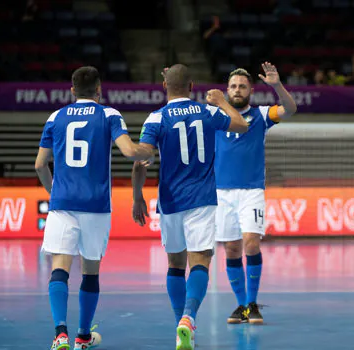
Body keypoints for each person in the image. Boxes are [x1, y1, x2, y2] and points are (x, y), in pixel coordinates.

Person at [35, 66, 153, 350]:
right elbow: (129, 151)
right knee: (90, 272)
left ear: (72, 90)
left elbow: (40, 165)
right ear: (99, 90)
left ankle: (60, 334)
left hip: (63, 204)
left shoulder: (56, 117)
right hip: (96, 206)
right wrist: (147, 151)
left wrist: (55, 193)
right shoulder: (109, 115)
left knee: (59, 269)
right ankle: (83, 336)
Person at [131, 64, 248, 350]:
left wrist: (137, 197)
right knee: (200, 261)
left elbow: (140, 162)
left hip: (170, 200)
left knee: (175, 264)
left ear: (164, 87)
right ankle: (188, 318)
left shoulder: (156, 118)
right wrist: (222, 102)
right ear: (192, 86)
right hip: (201, 198)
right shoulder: (207, 112)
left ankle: (180, 325)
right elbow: (242, 125)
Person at [215, 63, 297, 324]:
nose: (237, 90)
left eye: (242, 86)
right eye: (233, 86)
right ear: (227, 90)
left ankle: (252, 303)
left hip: (251, 191)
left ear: (250, 90)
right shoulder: (214, 116)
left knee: (251, 243)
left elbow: (291, 109)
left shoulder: (261, 115)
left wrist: (277, 85)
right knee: (231, 249)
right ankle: (240, 306)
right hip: (221, 193)